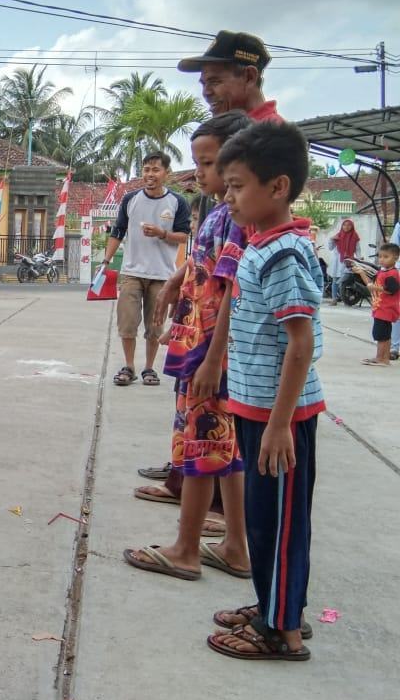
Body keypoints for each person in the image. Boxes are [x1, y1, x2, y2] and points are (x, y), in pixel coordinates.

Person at [207, 121, 324, 662]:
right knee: (262, 518)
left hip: (283, 418)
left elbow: (300, 343)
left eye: (236, 185)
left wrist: (280, 423)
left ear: (276, 187)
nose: (227, 196)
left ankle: (284, 632)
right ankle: (272, 605)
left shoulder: (283, 254)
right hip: (257, 407)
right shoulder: (261, 243)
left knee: (279, 523)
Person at [124, 111, 252, 582]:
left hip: (209, 352)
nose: (200, 171)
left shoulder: (235, 218)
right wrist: (180, 279)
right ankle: (236, 545)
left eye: (210, 162)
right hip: (200, 344)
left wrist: (213, 357)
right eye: (197, 162)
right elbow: (205, 266)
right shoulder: (218, 211)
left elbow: (232, 291)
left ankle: (186, 548)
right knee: (225, 448)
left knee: (200, 446)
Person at [103, 152, 190, 387]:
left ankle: (149, 368)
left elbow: (183, 236)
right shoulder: (131, 199)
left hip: (162, 275)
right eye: (146, 169)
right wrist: (106, 261)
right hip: (131, 272)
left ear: (166, 173)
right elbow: (118, 231)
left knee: (154, 325)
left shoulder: (177, 202)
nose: (150, 174)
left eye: (155, 170)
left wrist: (162, 233)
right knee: (127, 323)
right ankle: (129, 366)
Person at [178, 30, 284, 123]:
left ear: (249, 77)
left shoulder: (271, 137)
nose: (206, 92)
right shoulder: (237, 133)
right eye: (204, 84)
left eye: (214, 81)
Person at [357, 242, 400, 366]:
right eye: (380, 256)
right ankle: (381, 357)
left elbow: (392, 289)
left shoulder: (391, 274)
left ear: (395, 258)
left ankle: (382, 359)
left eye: (386, 257)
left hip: (386, 309)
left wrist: (376, 288)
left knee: (381, 335)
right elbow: (371, 285)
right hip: (381, 308)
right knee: (383, 334)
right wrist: (361, 273)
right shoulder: (383, 272)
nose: (382, 259)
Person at [326, 218, 361, 305]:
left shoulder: (355, 237)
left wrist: (359, 259)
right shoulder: (337, 236)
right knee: (335, 280)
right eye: (344, 225)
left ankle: (345, 299)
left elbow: (358, 249)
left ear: (352, 226)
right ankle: (334, 299)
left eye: (349, 225)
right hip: (337, 261)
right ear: (342, 226)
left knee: (345, 281)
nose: (346, 227)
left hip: (348, 261)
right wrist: (331, 239)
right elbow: (330, 248)